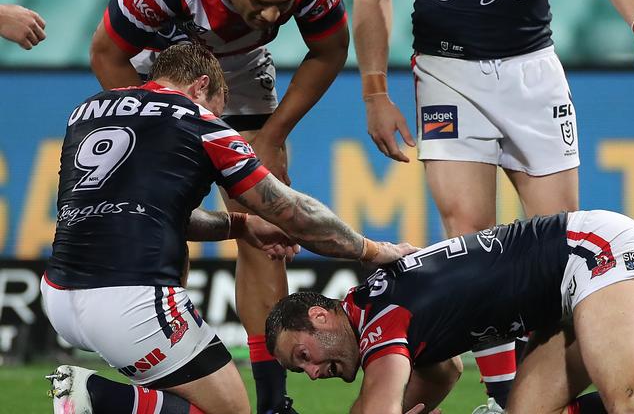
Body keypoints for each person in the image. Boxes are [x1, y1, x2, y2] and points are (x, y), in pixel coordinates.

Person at [353, 0, 634, 409]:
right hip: (446, 73)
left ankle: (546, 396)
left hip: (533, 71)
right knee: (468, 236)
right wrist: (374, 91)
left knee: (557, 251)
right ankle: (500, 396)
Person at [42, 44, 417, 414]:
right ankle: (97, 396)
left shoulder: (88, 111)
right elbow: (292, 211)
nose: (221, 117)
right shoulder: (200, 123)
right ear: (201, 87)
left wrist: (239, 224)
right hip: (131, 300)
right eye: (220, 107)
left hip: (59, 295)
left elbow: (146, 212)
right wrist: (369, 249)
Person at [89, 0, 349, 410]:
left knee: (268, 230)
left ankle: (273, 402)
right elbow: (106, 51)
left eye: (282, 5)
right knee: (166, 225)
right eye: (260, 1)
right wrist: (161, 126)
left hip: (242, 68)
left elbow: (331, 49)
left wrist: (272, 136)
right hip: (161, 69)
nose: (273, 15)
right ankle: (167, 383)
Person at [267, 209, 634, 414]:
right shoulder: (373, 308)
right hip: (561, 299)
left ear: (320, 317)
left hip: (590, 251)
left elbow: (377, 405)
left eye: (304, 356)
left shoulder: (378, 324)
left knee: (632, 400)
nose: (313, 373)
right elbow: (443, 372)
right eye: (301, 370)